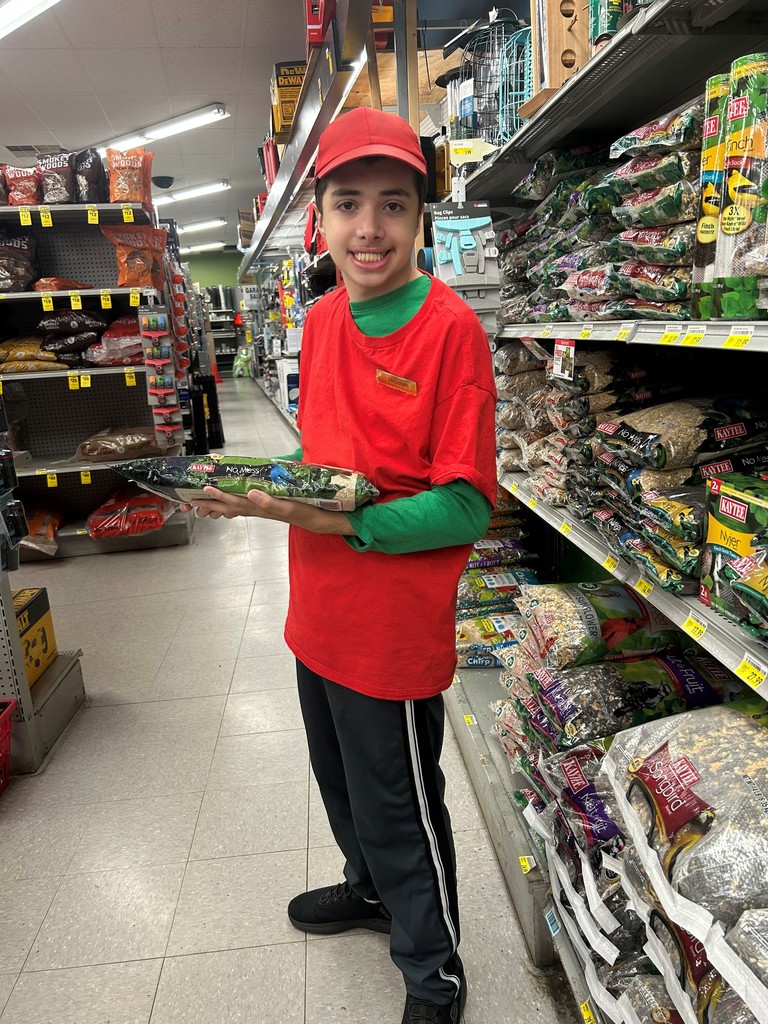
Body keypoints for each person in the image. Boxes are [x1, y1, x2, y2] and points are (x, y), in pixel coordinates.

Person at [184, 106, 497, 1024]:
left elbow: (468, 502)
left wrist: (334, 520)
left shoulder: (449, 333)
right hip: (315, 612)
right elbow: (324, 466)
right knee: (339, 781)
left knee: (401, 803)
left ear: (420, 219)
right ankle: (366, 890)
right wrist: (250, 483)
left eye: (393, 205)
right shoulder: (319, 321)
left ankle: (433, 968)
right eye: (348, 202)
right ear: (317, 214)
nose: (370, 228)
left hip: (390, 629)